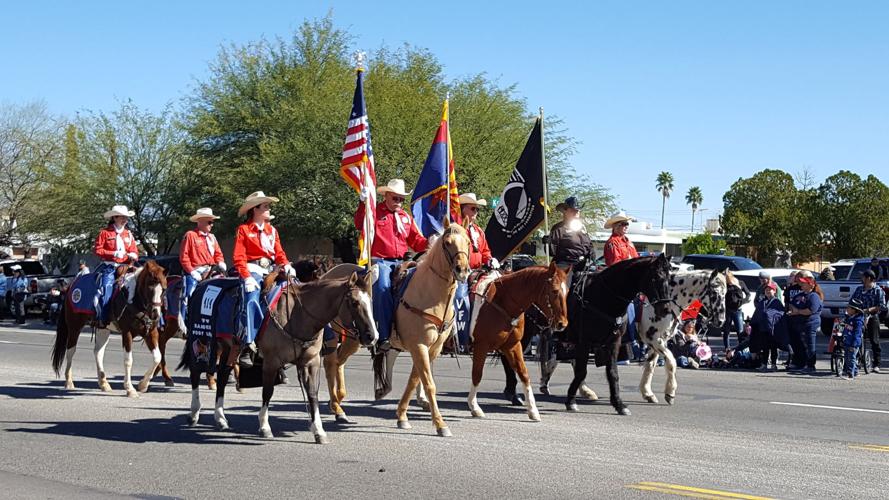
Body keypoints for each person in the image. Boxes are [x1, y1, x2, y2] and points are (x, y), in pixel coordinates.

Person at [354, 178, 428, 351]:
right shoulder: (374, 212)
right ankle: (384, 335)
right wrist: (362, 204)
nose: (399, 202)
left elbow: (416, 242)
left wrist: (431, 241)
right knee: (382, 287)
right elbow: (359, 223)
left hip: (402, 262)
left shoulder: (406, 218)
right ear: (386, 196)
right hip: (380, 261)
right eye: (395, 198)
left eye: (401, 199)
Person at [232, 192, 294, 367]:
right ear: (255, 209)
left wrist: (286, 265)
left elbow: (279, 253)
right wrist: (246, 277)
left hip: (272, 270)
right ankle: (248, 343)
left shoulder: (272, 231)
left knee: (295, 290)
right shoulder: (244, 230)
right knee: (251, 298)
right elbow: (239, 257)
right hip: (253, 270)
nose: (268, 208)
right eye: (265, 206)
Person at [456, 193, 498, 352]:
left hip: (478, 271)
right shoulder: (457, 229)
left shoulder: (478, 231)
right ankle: (461, 339)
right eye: (472, 208)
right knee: (462, 299)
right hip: (461, 272)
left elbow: (485, 250)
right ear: (463, 209)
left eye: (477, 209)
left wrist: (490, 259)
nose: (476, 212)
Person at [602, 211, 642, 362]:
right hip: (619, 285)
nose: (626, 226)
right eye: (623, 224)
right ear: (615, 226)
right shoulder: (612, 243)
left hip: (631, 284)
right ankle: (625, 349)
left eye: (627, 224)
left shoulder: (628, 242)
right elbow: (616, 266)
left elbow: (636, 260)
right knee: (626, 315)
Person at [93, 205, 140, 328]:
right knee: (106, 289)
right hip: (110, 267)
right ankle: (102, 318)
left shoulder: (128, 234)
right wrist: (113, 253)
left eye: (126, 217)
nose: (125, 220)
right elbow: (97, 250)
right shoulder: (104, 233)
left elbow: (134, 250)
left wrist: (134, 254)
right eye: (122, 217)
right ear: (114, 218)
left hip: (127, 267)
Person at [179, 207, 227, 302]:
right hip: (196, 271)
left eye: (212, 222)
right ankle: (186, 311)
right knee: (189, 295)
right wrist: (192, 271)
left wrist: (220, 262)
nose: (212, 225)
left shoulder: (212, 237)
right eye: (210, 222)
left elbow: (218, 253)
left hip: (211, 270)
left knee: (223, 287)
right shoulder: (190, 235)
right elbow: (184, 257)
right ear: (200, 221)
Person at [548, 197, 595, 280]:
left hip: (583, 264)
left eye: (578, 211)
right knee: (563, 284)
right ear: (565, 211)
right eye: (573, 210)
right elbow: (552, 251)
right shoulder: (559, 228)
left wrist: (591, 254)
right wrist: (549, 242)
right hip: (565, 264)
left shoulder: (583, 228)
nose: (576, 213)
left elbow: (589, 245)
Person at [849, 269, 886, 373]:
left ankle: (877, 364)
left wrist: (868, 310)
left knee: (874, 340)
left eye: (863, 277)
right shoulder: (859, 289)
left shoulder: (878, 290)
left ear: (869, 278)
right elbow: (852, 301)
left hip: (872, 317)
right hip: (858, 317)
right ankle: (857, 361)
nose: (862, 279)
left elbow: (882, 306)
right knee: (857, 338)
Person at [787, 272, 823, 373]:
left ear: (810, 285)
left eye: (804, 283)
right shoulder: (800, 295)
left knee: (810, 345)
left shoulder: (814, 296)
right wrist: (793, 310)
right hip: (798, 323)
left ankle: (811, 365)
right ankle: (800, 363)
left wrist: (797, 311)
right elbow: (791, 304)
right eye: (801, 283)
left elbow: (811, 310)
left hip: (810, 323)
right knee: (798, 344)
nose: (801, 285)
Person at [751, 281, 784, 371]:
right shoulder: (762, 302)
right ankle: (764, 364)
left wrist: (769, 316)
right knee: (764, 347)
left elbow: (780, 313)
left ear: (774, 291)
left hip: (773, 329)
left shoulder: (777, 302)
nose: (768, 291)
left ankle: (773, 364)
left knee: (773, 347)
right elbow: (757, 314)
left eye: (770, 289)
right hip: (763, 328)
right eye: (766, 290)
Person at [722, 271, 750, 350]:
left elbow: (748, 294)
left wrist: (743, 302)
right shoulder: (725, 285)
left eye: (726, 278)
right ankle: (727, 348)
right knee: (726, 331)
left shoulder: (740, 283)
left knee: (740, 330)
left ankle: (741, 348)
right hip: (728, 310)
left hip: (738, 310)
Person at [840, 298, 866, 380]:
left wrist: (854, 345)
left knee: (851, 358)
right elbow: (845, 330)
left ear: (854, 310)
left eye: (849, 308)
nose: (847, 309)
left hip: (853, 343)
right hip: (847, 341)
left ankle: (850, 374)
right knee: (847, 358)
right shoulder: (849, 318)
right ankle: (855, 371)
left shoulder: (858, 321)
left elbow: (857, 334)